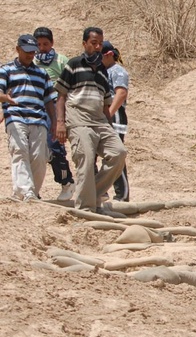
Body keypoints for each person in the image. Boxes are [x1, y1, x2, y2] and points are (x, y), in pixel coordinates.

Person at [54, 27, 126, 213]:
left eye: (100, 44)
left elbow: (105, 105)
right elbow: (61, 96)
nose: (97, 47)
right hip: (78, 120)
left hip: (100, 121)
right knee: (85, 161)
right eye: (93, 43)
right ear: (84, 43)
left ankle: (92, 194)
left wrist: (109, 128)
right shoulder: (74, 64)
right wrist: (60, 123)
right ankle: (85, 210)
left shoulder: (103, 71)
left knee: (118, 153)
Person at [1, 34, 58, 201]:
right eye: (26, 51)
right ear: (18, 49)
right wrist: (6, 99)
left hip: (38, 120)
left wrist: (54, 122)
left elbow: (49, 100)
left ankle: (30, 192)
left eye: (33, 52)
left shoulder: (42, 73)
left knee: (39, 158)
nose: (30, 55)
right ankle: (26, 192)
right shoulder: (6, 70)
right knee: (19, 151)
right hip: (15, 116)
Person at [32, 27, 74, 201]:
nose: (42, 48)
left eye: (45, 44)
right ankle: (33, 189)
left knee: (54, 144)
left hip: (56, 105)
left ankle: (66, 182)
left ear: (52, 43)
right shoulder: (32, 61)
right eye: (39, 44)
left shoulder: (62, 61)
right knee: (34, 149)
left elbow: (71, 85)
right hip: (36, 106)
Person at [101, 41, 130, 202]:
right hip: (101, 115)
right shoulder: (100, 71)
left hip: (115, 116)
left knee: (116, 154)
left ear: (109, 55)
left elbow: (120, 94)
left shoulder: (118, 71)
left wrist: (109, 114)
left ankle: (122, 194)